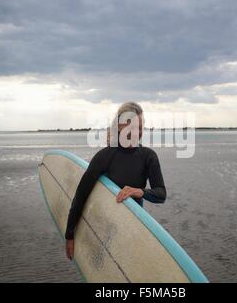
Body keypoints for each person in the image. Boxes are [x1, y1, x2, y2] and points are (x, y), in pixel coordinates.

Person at [65, 102, 167, 260]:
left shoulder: (148, 156)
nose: (137, 132)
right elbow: (80, 197)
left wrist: (140, 191)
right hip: (105, 231)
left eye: (140, 127)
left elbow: (161, 194)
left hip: (133, 228)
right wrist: (69, 236)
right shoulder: (104, 157)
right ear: (120, 127)